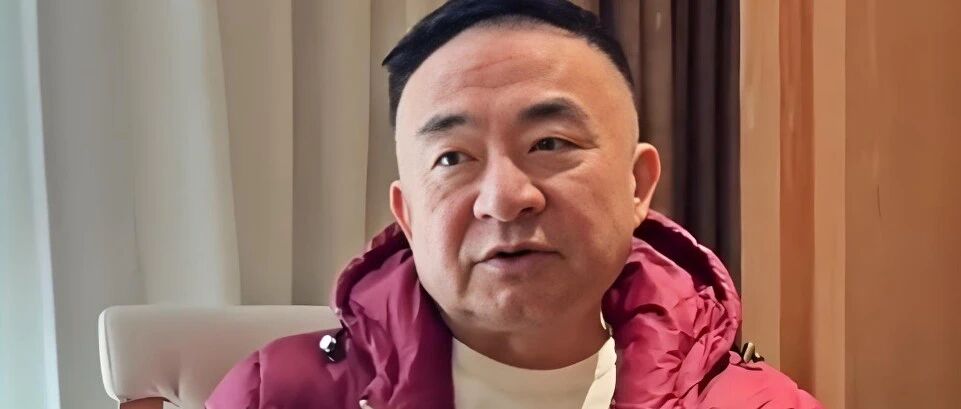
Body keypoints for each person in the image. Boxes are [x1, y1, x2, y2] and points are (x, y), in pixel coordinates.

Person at [206, 0, 821, 407]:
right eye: (453, 158)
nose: (504, 199)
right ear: (408, 216)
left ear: (637, 184)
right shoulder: (275, 397)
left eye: (549, 143)